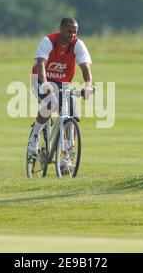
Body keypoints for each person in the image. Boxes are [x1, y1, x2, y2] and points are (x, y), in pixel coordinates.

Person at [27, 18, 94, 173]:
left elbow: (85, 66)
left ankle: (65, 160)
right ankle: (34, 138)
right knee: (52, 103)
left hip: (63, 83)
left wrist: (88, 85)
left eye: (75, 32)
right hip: (40, 78)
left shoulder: (77, 45)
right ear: (61, 28)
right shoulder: (49, 41)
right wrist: (45, 84)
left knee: (71, 117)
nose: (72, 34)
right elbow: (40, 64)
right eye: (69, 31)